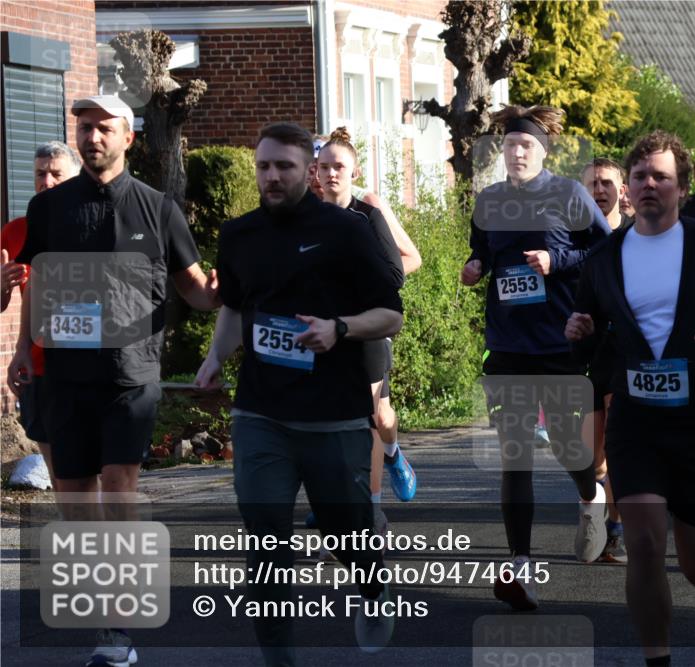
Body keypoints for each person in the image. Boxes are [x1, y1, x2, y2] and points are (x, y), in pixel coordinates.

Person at [6, 95, 220, 667]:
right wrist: (23, 347)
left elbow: (194, 289)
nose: (92, 136)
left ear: (128, 137)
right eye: (84, 127)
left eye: (104, 128)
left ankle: (117, 623)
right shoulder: (47, 209)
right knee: (74, 498)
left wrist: (221, 293)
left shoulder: (158, 208)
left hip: (130, 375)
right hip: (64, 376)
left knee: (119, 486)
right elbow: (36, 283)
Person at [567, 130, 695, 665]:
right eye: (640, 176)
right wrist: (580, 332)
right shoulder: (605, 257)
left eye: (660, 177)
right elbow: (591, 336)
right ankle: (656, 659)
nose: (648, 185)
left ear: (682, 189)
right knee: (643, 544)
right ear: (628, 187)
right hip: (636, 423)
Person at [195, 122, 404, 662]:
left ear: (307, 171)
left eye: (283, 167)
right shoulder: (238, 235)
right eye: (263, 166)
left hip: (333, 412)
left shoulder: (347, 230)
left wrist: (339, 328)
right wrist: (215, 357)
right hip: (261, 412)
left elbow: (390, 315)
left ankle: (372, 584)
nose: (271, 176)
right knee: (266, 540)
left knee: (344, 531)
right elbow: (235, 308)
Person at [461, 104, 611, 609]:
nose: (517, 153)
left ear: (544, 152)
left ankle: (592, 495)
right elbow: (482, 251)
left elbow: (605, 250)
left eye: (526, 145)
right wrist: (475, 266)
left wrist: (557, 259)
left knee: (568, 445)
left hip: (557, 343)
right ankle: (520, 565)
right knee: (515, 456)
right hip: (507, 344)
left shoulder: (568, 194)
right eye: (509, 145)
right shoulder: (490, 200)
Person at [316, 127, 421, 533]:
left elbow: (396, 272)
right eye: (324, 167)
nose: (331, 174)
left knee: (376, 416)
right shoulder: (307, 218)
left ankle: (374, 501)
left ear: (354, 172)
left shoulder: (368, 213)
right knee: (327, 420)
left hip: (368, 326)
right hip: (324, 330)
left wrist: (354, 280)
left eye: (338, 167)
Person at [1, 141, 82, 490]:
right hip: (38, 366)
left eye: (56, 174)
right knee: (59, 474)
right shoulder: (15, 232)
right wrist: (1, 286)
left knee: (89, 470)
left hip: (88, 365)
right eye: (40, 174)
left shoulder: (96, 225)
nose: (46, 182)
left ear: (77, 178)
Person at [579, 157, 632, 562]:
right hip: (582, 350)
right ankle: (595, 505)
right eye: (591, 184)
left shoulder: (637, 235)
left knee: (617, 442)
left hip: (622, 350)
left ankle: (617, 529)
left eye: (606, 183)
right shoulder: (569, 236)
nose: (599, 190)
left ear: (622, 190)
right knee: (590, 454)